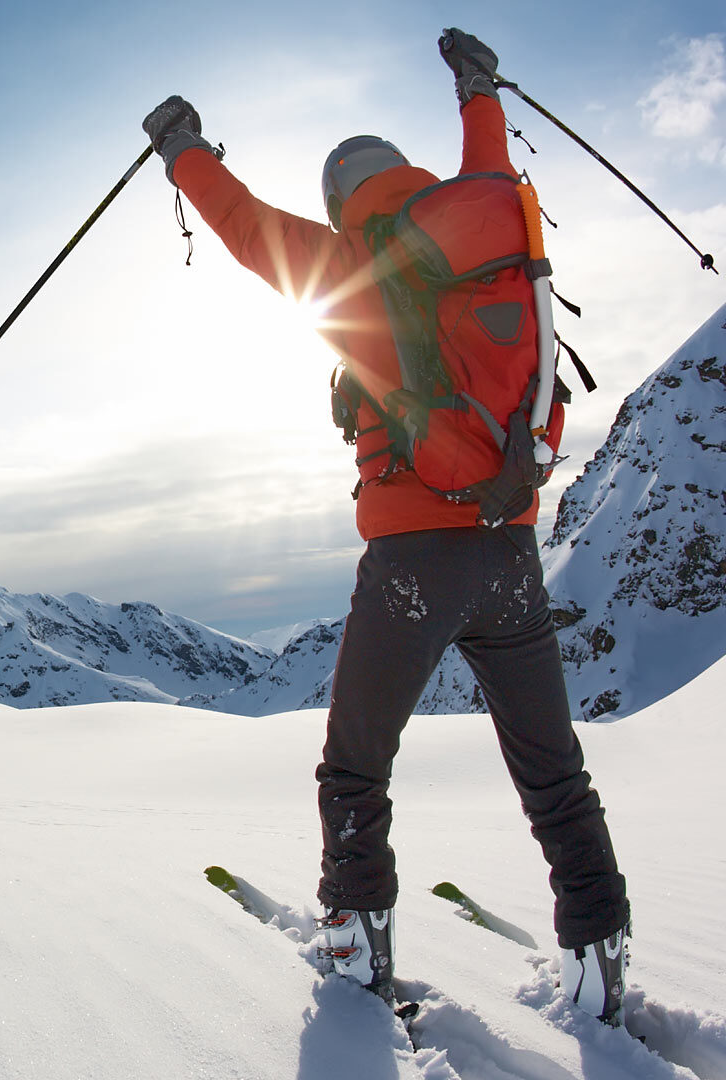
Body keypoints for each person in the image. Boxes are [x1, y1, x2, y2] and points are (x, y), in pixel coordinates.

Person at [142, 29, 631, 1024]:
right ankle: (601, 957)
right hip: (509, 547)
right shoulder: (484, 219)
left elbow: (240, 226)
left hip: (413, 556)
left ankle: (356, 944)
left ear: (339, 202)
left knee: (357, 764)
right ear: (404, 177)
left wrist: (182, 148)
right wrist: (476, 86)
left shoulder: (345, 261)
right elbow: (491, 150)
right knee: (552, 770)